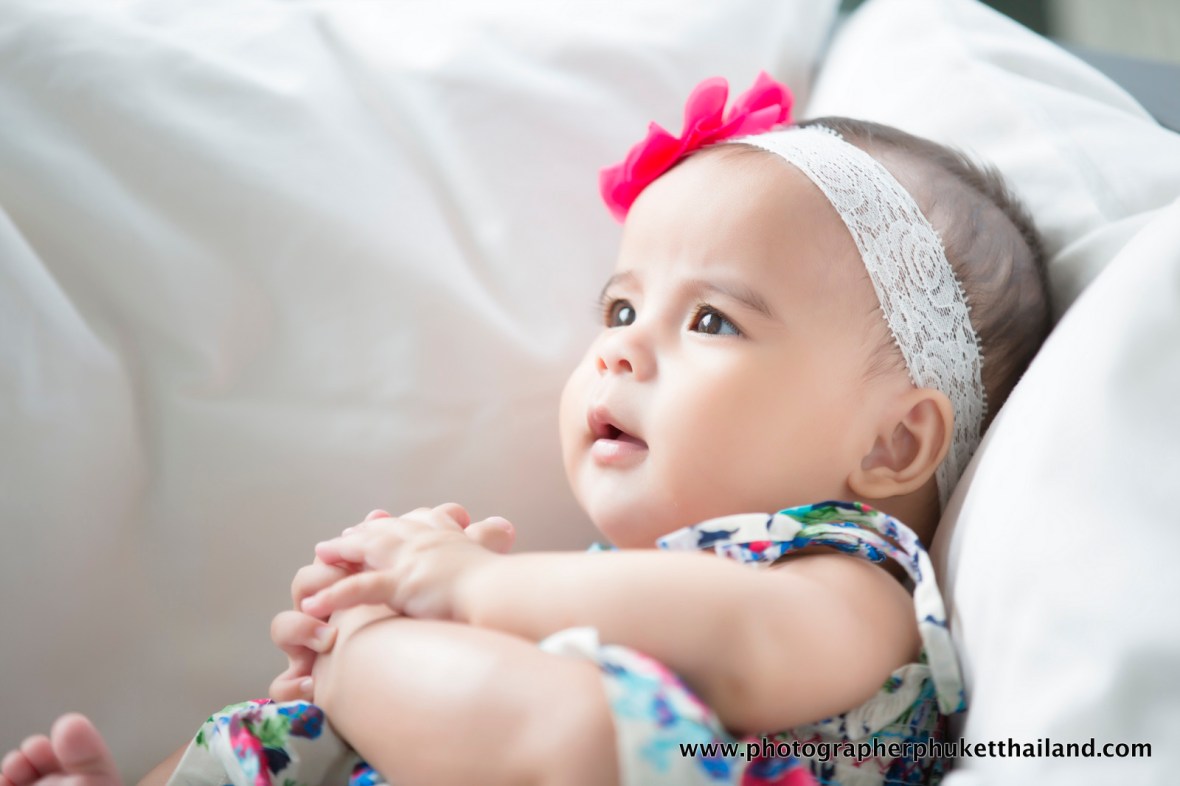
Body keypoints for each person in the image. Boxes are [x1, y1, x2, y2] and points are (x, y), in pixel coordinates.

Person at [0, 71, 1052, 786]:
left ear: (892, 447)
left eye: (713, 320)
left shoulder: (858, 580)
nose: (621, 351)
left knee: (573, 723)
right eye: (621, 309)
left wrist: (459, 596)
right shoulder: (595, 580)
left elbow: (738, 640)